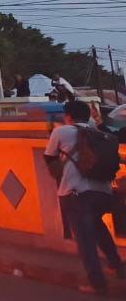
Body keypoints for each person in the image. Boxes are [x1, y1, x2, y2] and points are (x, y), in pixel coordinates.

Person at [45, 99, 125, 295]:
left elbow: (49, 156)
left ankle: (98, 284)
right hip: (103, 193)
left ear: (69, 116)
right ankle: (118, 266)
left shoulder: (61, 132)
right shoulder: (99, 133)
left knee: (85, 242)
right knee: (97, 227)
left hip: (76, 194)